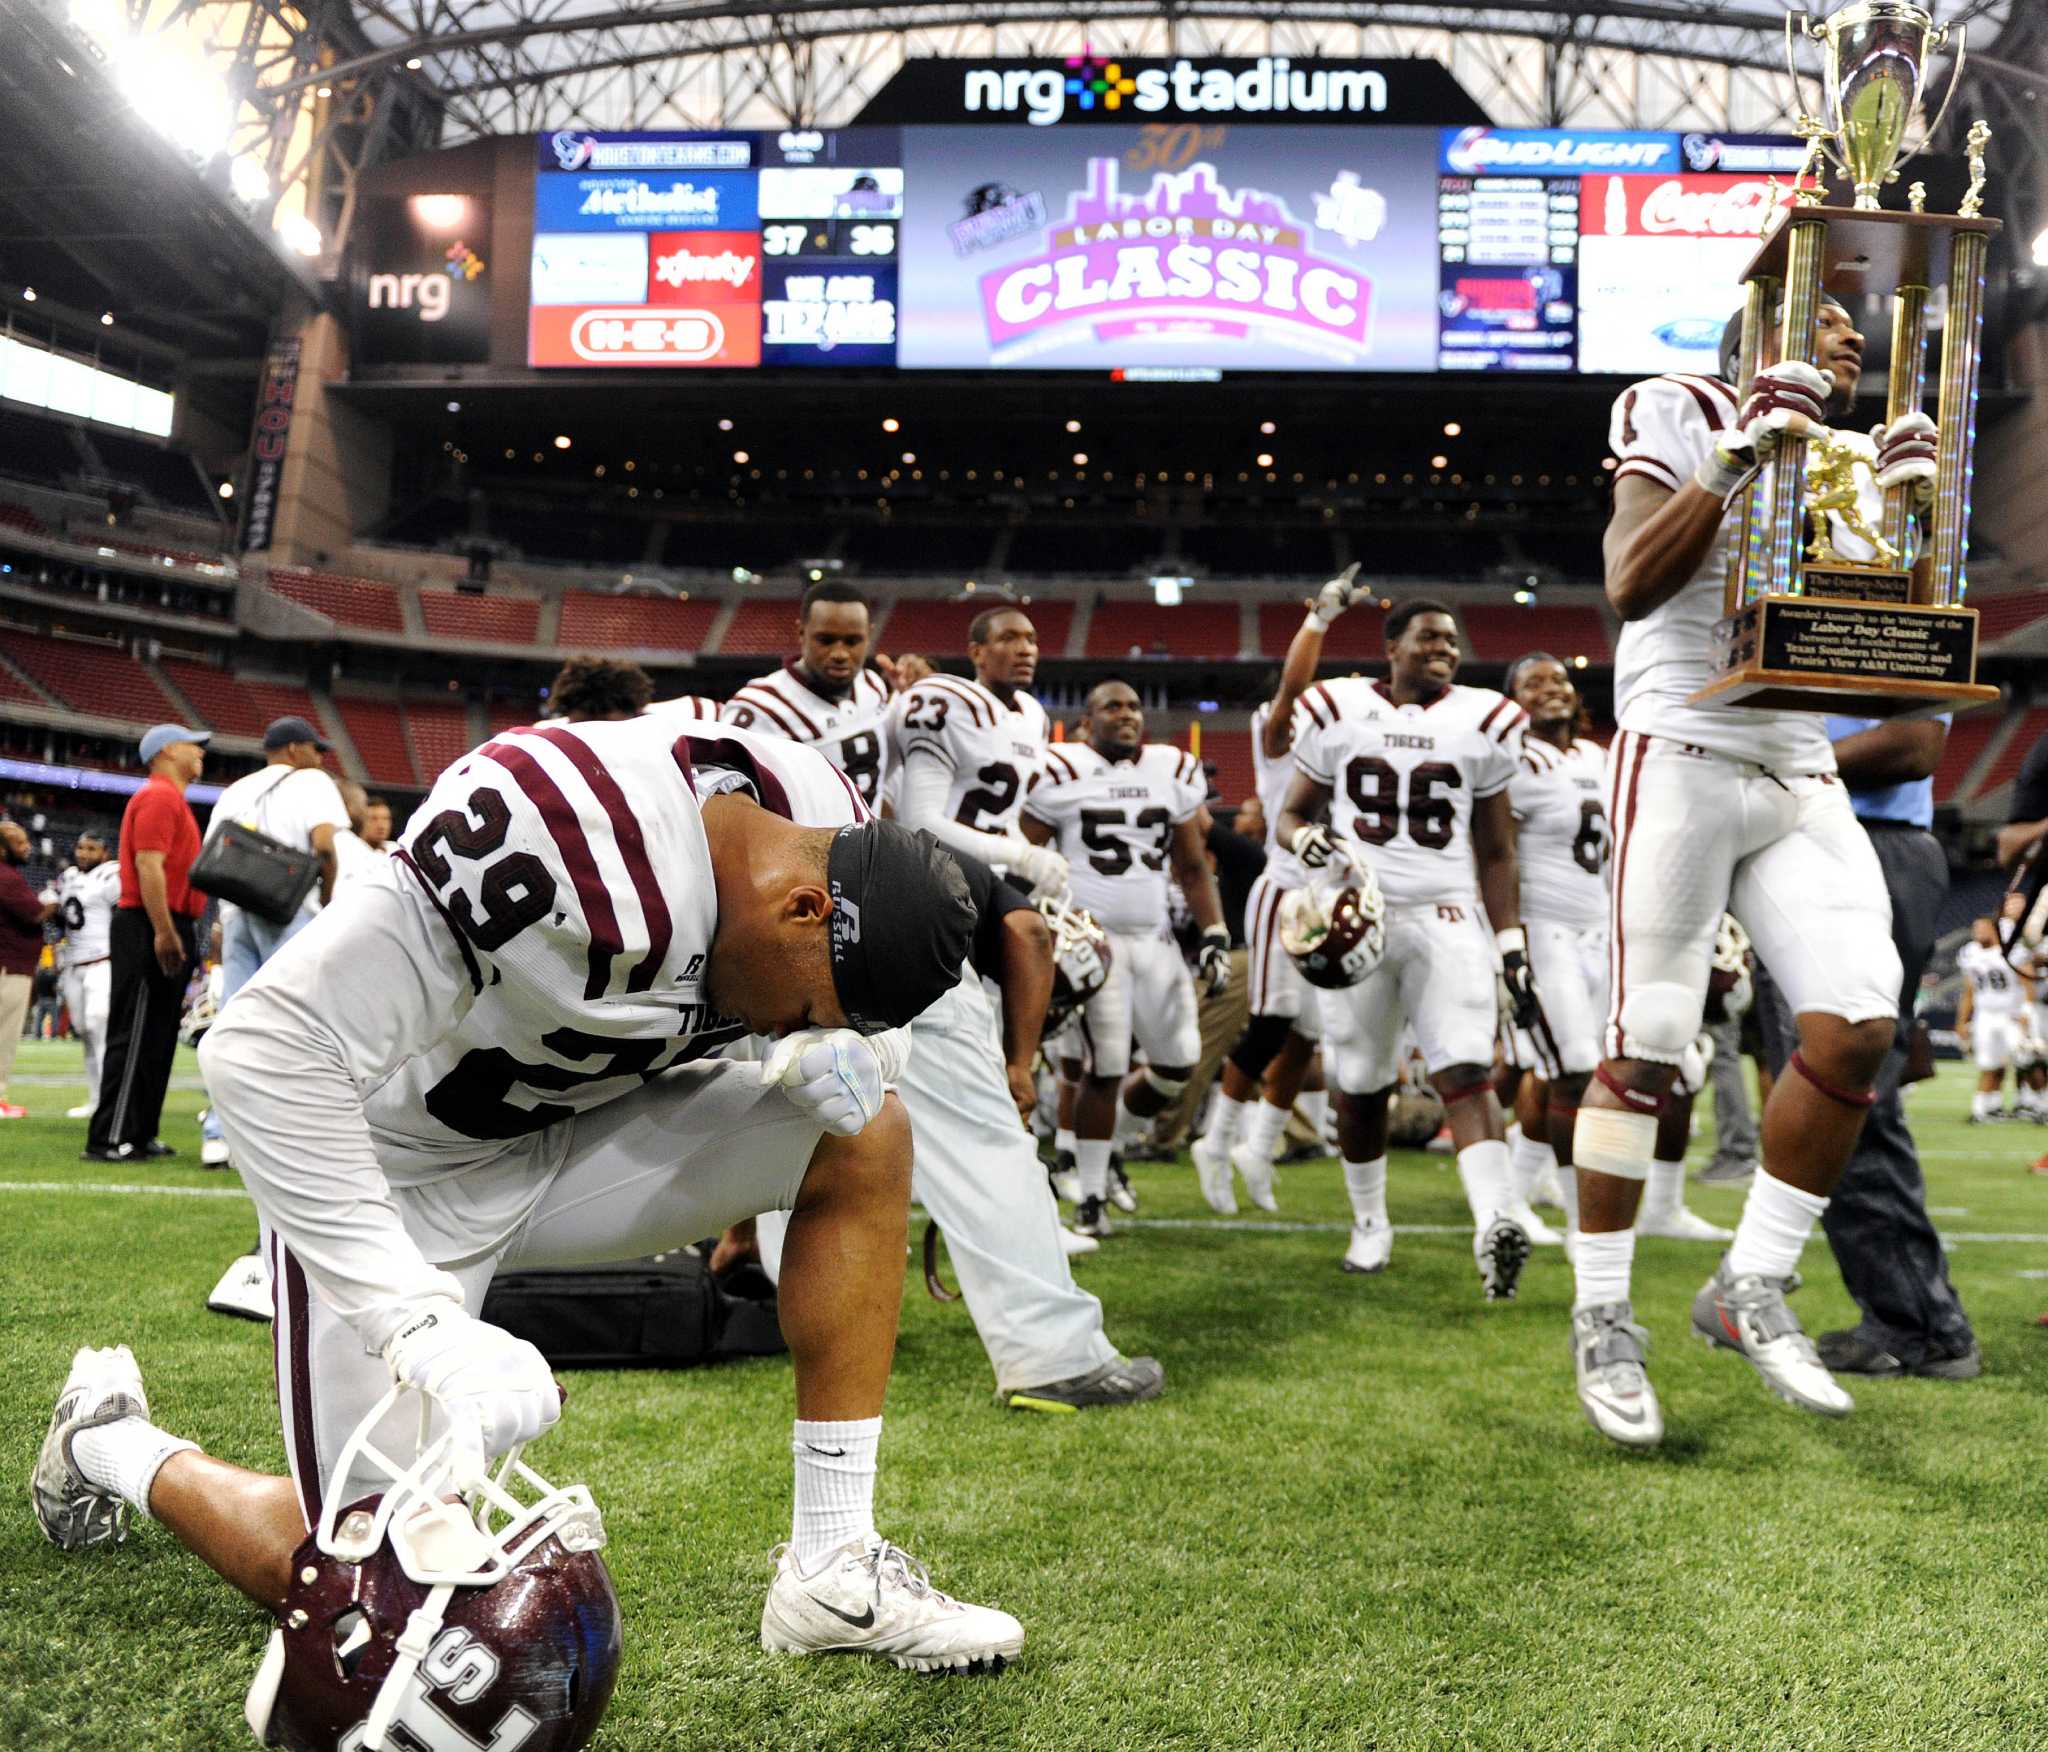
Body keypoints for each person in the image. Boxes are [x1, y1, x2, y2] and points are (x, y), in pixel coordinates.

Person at [34, 715, 1027, 1682]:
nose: (780, 1025)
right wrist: (413, 1320)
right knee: (382, 1594)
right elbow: (261, 1052)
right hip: (395, 1177)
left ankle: (830, 1567)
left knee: (865, 1131)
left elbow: (851, 1026)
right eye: (804, 1005)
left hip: (575, 1141)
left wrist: (842, 1045)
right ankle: (115, 1444)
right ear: (801, 909)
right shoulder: (564, 832)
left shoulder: (824, 817)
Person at [1567, 292, 1931, 1447]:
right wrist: (1733, 457)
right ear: (1758, 327)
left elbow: (1884, 650)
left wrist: (1910, 516)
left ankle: (1751, 1280)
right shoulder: (1675, 405)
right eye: (1825, 317)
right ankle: (1600, 1315)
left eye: (1855, 328)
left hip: (1794, 761)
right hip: (1679, 744)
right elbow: (1627, 584)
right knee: (1648, 1041)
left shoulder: (1843, 449)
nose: (1850, 338)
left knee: (1860, 1021)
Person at [754, 857, 1164, 1410]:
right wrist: (1020, 1064)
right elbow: (1030, 932)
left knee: (801, 1129)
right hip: (903, 944)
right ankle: (1054, 1358)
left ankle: (808, 1316)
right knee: (989, 1153)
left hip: (775, 929)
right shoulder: (960, 871)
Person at [1277, 599, 1539, 1296]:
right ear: (1391, 646)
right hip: (1358, 913)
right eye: (1428, 637)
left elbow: (1496, 846)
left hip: (1446, 912)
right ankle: (1370, 1223)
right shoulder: (1337, 709)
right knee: (1360, 1083)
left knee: (1465, 1069)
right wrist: (1306, 839)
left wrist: (1510, 939)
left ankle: (1495, 1222)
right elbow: (1291, 814)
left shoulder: (1485, 719)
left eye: (1452, 640)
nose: (1444, 648)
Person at [1756, 715, 1980, 1378]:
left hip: (1862, 844)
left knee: (1839, 1095)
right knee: (1829, 1095)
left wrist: (1767, 764)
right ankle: (1908, 1315)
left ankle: (1920, 1324)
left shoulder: (1890, 613)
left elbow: (1915, 744)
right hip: (1813, 843)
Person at [1020, 680, 1230, 1238]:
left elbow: (1191, 865)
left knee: (1179, 1062)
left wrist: (1213, 930)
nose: (1128, 715)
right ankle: (1090, 1198)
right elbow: (1020, 851)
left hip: (1155, 938)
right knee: (1104, 1066)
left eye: (1135, 705)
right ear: (1087, 721)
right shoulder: (1063, 772)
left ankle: (1104, 1146)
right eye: (1113, 706)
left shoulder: (1169, 771)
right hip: (1093, 939)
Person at [1196, 566, 1368, 1209]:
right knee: (1272, 1020)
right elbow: (1293, 695)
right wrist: (1319, 620)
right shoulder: (1280, 736)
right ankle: (1215, 1141)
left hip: (1332, 895)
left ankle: (1257, 1143)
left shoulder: (1354, 743)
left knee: (1310, 1033)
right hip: (1286, 890)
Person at [197, 716, 351, 1167]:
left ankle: (219, 1134)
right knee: (297, 1026)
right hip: (288, 915)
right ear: (295, 749)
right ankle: (291, 1138)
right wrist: (326, 894)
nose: (319, 757)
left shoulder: (236, 789)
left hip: (238, 915)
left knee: (236, 1026)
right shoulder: (312, 782)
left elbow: (214, 857)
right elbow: (324, 843)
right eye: (315, 748)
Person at [85, 725, 209, 1163]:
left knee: (156, 1036)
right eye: (194, 745)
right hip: (148, 922)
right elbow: (148, 866)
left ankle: (139, 1133)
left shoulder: (171, 799)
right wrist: (163, 930)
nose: (201, 752)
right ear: (167, 751)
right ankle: (107, 1136)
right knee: (133, 1031)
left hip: (167, 921)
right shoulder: (158, 797)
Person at [723, 581, 897, 808]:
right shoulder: (759, 707)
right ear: (801, 632)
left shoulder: (872, 685)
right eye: (826, 640)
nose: (840, 653)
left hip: (871, 839)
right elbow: (730, 804)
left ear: (869, 635)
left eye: (853, 641)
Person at [50, 830, 120, 1120]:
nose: (84, 854)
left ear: (105, 852)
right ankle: (96, 1099)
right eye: (80, 847)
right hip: (74, 964)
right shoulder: (67, 876)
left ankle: (111, 1103)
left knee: (98, 1024)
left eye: (91, 848)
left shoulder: (112, 874)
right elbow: (61, 916)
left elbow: (124, 917)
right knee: (85, 1032)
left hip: (102, 961)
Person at [1955, 916, 2030, 1124]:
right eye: (1975, 928)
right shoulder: (1970, 953)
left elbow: (2028, 984)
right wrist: (1961, 1020)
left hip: (2011, 1014)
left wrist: (2026, 1014)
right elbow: (1969, 990)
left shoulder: (2012, 951)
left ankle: (2032, 1103)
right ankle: (1983, 1108)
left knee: (2026, 1061)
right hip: (1985, 1015)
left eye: (1983, 928)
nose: (1978, 932)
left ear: (1995, 930)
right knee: (1989, 1063)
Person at [0, 816, 51, 1118]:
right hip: (9, 966)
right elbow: (35, 914)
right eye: (19, 842)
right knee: (4, 1034)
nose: (27, 847)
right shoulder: (7, 877)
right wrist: (54, 904)